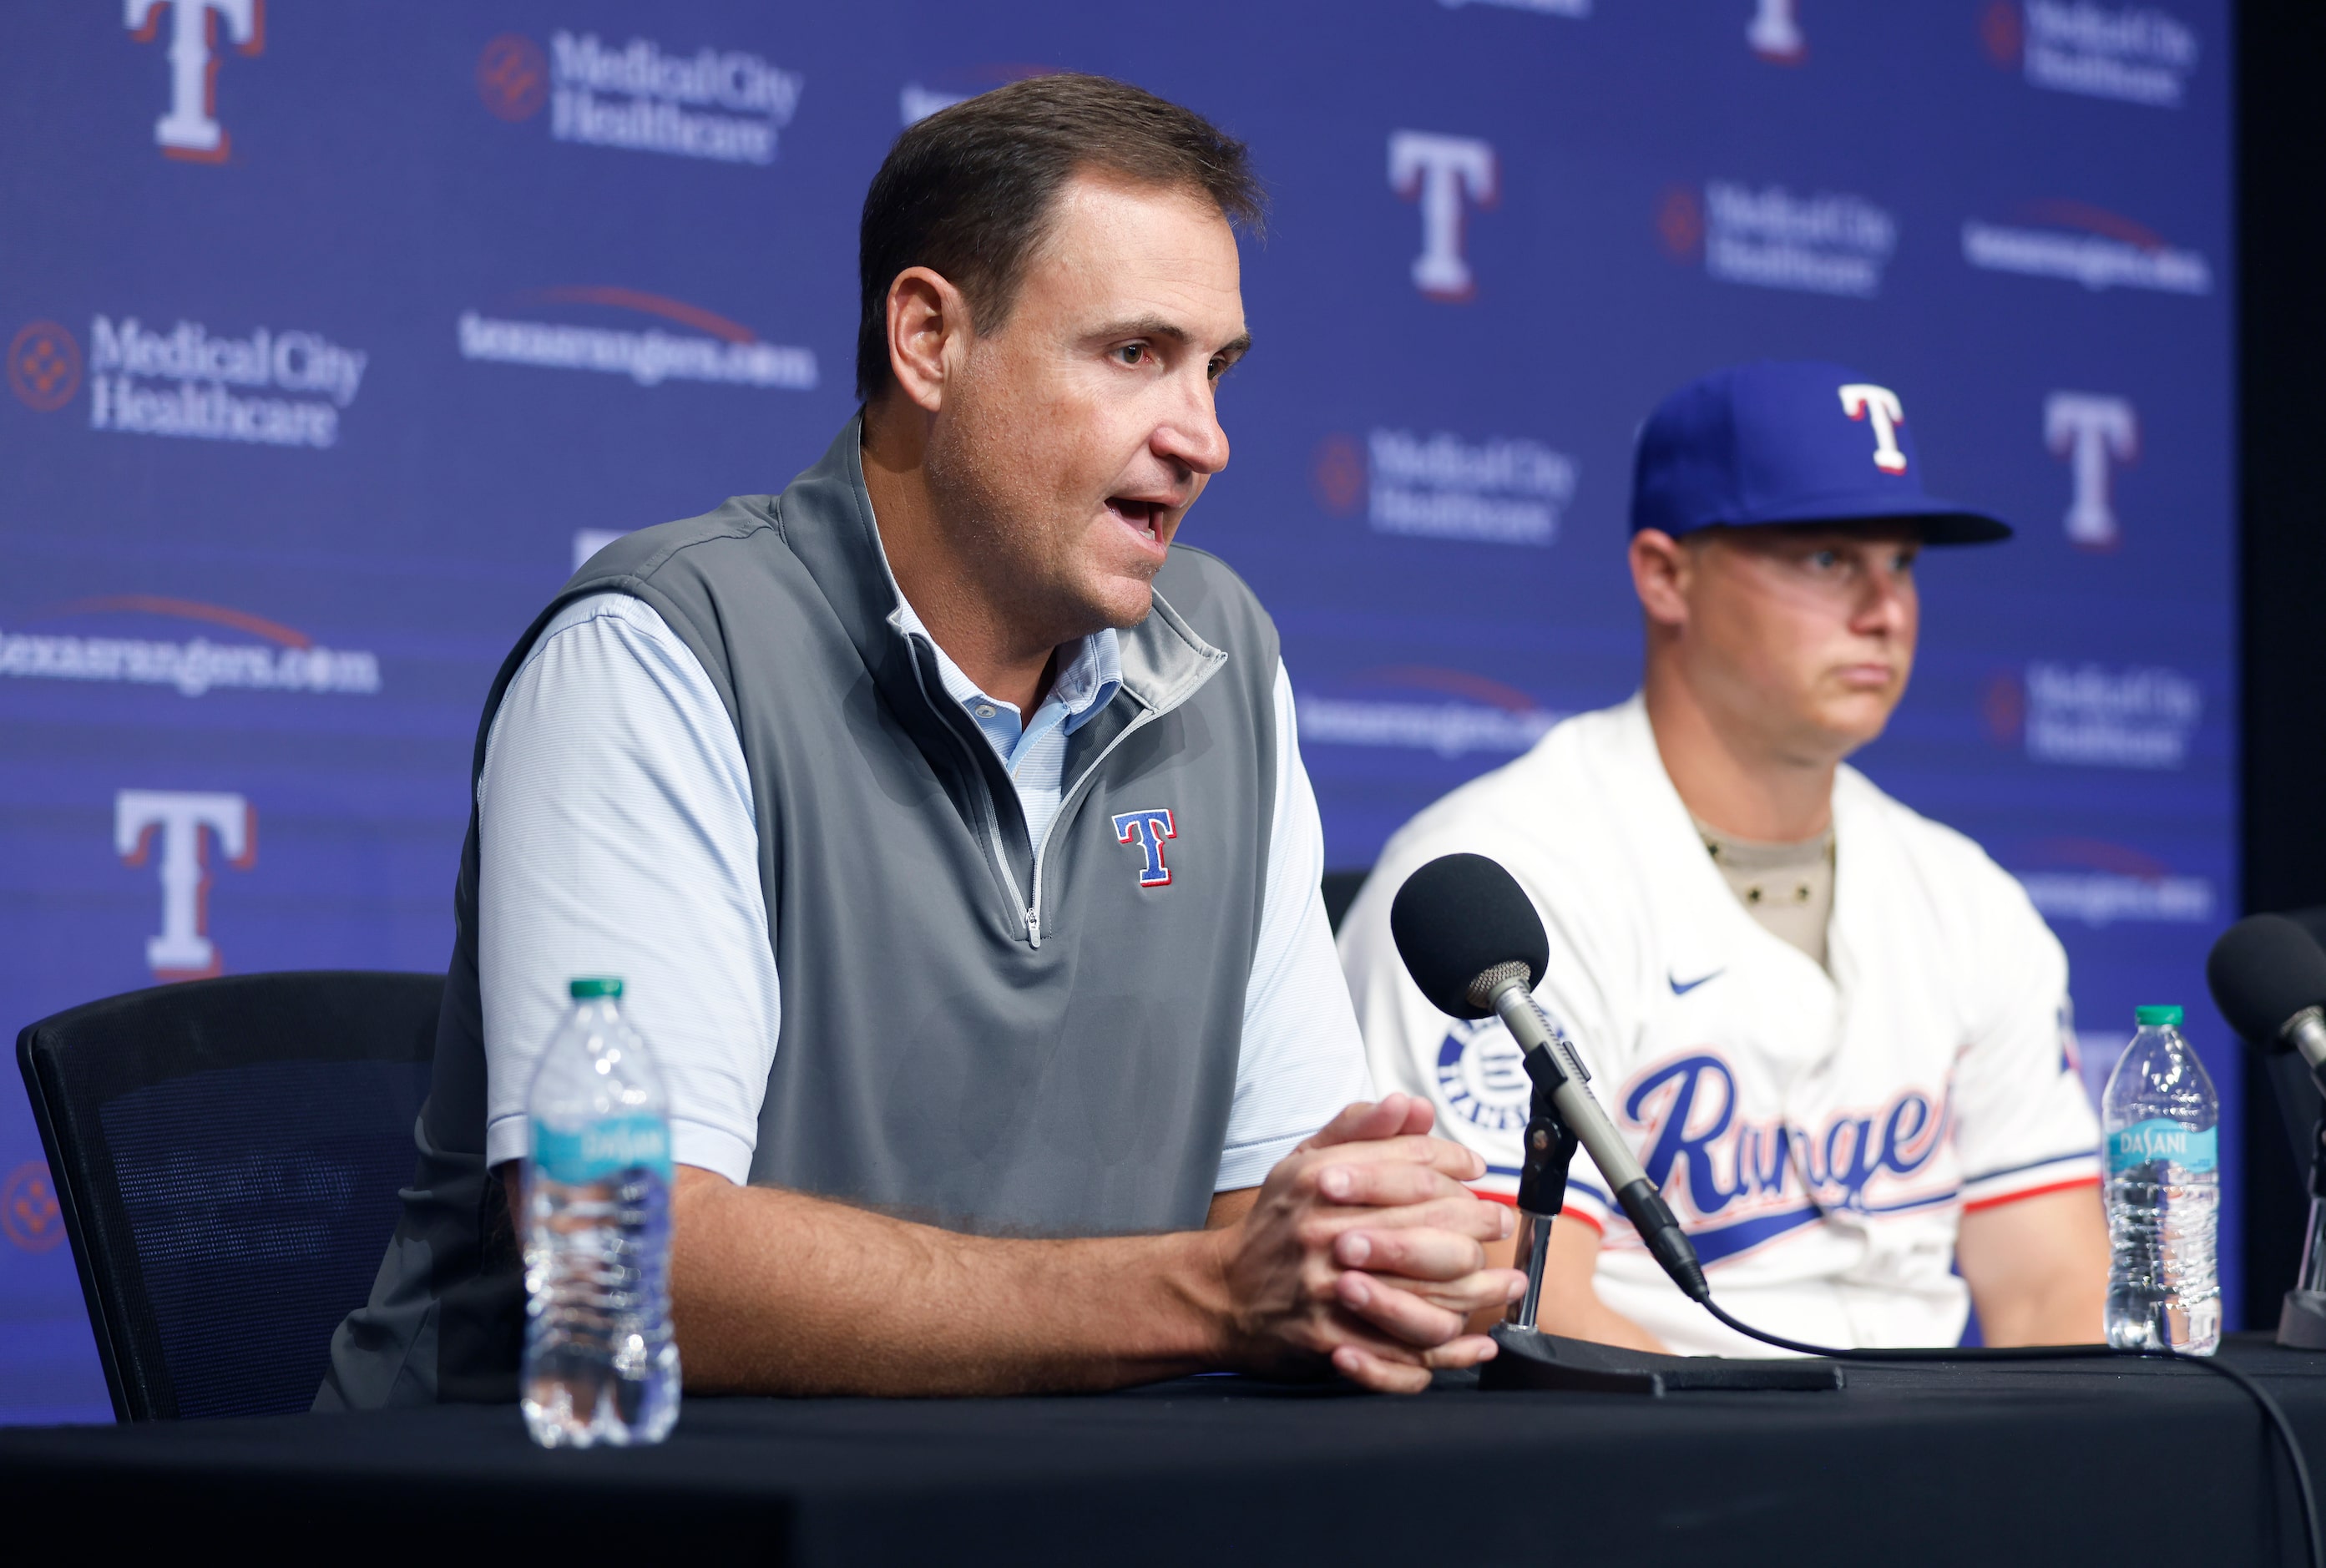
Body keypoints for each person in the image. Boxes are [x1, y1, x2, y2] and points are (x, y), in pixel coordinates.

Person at [318, 74, 1523, 1408]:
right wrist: (1209, 1295)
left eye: (1215, 367)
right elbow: (625, 1259)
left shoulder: (1221, 660)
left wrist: (1374, 1265)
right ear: (928, 339)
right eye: (1134, 354)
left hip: (1023, 1500)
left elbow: (1279, 1222)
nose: (1205, 439)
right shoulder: (659, 652)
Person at [1338, 362, 2109, 1357]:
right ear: (1665, 574)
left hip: (1931, 1461)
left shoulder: (1965, 897)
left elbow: (2052, 1283)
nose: (1885, 609)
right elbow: (1516, 1301)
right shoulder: (1504, 877)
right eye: (1827, 560)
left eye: (1903, 562)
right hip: (1640, 1475)